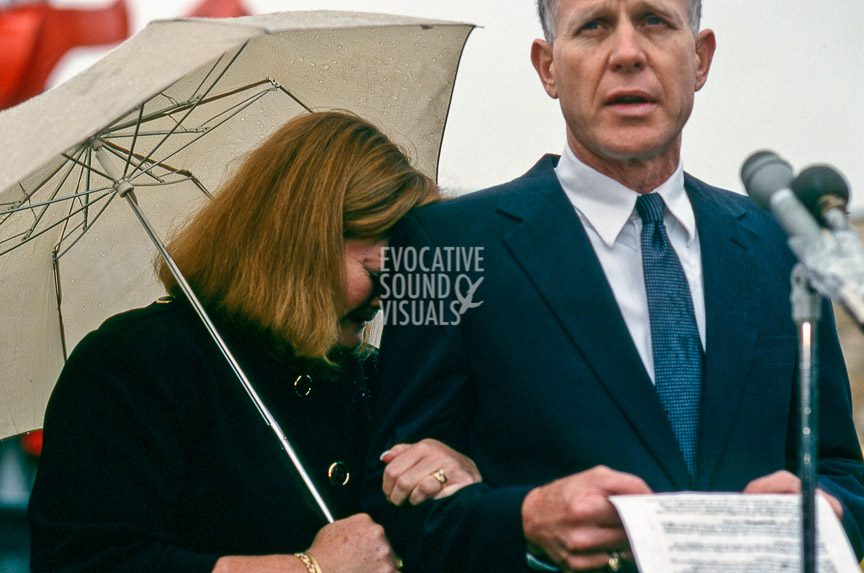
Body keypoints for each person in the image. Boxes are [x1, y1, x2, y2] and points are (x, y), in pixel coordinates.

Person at [362, 1, 864, 571]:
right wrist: (522, 519)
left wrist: (824, 509)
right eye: (594, 26)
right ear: (548, 67)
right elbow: (390, 494)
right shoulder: (438, 243)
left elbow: (843, 471)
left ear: (700, 58)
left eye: (654, 20)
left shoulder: (783, 245)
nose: (627, 54)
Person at [28, 111, 481, 573]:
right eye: (376, 275)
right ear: (305, 242)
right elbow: (88, 562)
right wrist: (309, 568)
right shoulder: (133, 364)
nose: (387, 299)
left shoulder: (369, 376)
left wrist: (458, 484)